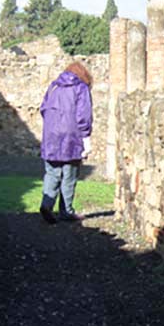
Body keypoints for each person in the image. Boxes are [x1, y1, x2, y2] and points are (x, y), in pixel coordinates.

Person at [39, 61, 93, 224]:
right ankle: (66, 211)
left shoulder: (53, 87)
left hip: (51, 136)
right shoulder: (81, 88)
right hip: (72, 136)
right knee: (69, 174)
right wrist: (86, 137)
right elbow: (83, 114)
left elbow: (43, 109)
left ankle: (47, 205)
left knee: (52, 172)